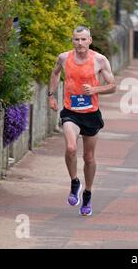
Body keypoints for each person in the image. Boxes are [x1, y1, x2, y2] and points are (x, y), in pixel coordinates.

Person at [48, 26, 116, 216]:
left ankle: (87, 193)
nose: (80, 43)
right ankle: (74, 181)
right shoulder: (64, 58)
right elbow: (55, 73)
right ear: (72, 41)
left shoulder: (100, 60)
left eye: (83, 40)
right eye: (76, 39)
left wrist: (95, 90)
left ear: (90, 40)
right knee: (71, 148)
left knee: (89, 157)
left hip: (91, 113)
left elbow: (112, 86)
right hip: (71, 112)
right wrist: (51, 95)